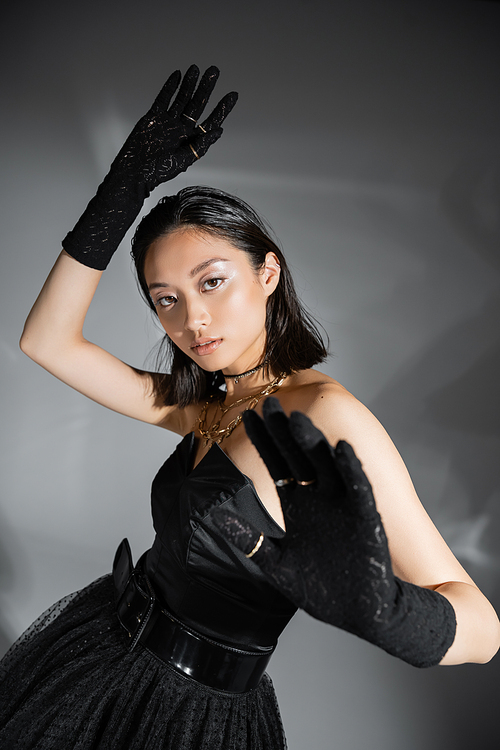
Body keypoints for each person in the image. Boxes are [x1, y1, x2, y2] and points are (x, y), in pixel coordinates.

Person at [0, 64, 499, 749]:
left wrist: (389, 614)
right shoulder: (206, 405)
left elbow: (483, 629)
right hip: (103, 658)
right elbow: (47, 340)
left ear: (268, 273)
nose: (192, 318)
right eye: (165, 299)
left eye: (212, 282)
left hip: (191, 717)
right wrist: (124, 189)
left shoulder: (325, 411)